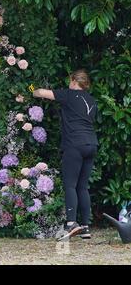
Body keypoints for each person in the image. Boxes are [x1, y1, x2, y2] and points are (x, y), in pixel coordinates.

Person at [33, 69, 98, 241]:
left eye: (70, 81)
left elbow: (40, 93)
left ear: (74, 81)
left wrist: (30, 88)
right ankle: (85, 227)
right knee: (82, 187)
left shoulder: (69, 95)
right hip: (91, 144)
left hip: (74, 145)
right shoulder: (92, 100)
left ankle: (71, 224)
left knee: (70, 185)